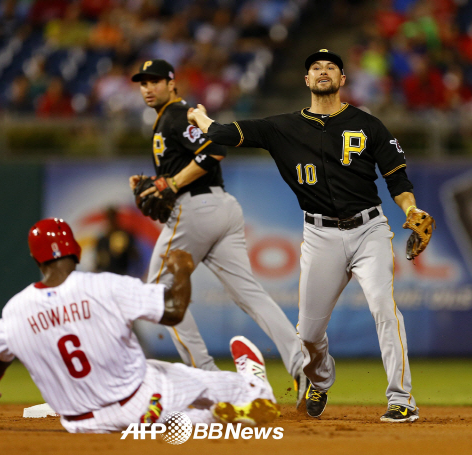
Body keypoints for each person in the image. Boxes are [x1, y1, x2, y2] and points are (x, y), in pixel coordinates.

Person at [188, 49, 430, 423]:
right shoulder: (281, 127)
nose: (323, 70)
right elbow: (222, 133)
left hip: (369, 230)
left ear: (342, 79)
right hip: (319, 236)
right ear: (307, 80)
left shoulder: (368, 124)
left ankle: (402, 399)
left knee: (384, 308)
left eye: (331, 67)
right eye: (316, 67)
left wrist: (411, 210)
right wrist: (200, 117)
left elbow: (397, 177)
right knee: (309, 335)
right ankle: (320, 380)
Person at [0, 217, 279, 432]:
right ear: (76, 251)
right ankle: (254, 389)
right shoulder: (104, 286)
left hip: (82, 424)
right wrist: (181, 268)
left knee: (171, 403)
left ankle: (206, 417)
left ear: (35, 260)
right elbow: (174, 311)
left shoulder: (15, 310)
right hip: (140, 400)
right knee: (196, 380)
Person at [129, 59, 307, 404]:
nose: (148, 88)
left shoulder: (177, 115)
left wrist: (172, 183)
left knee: (159, 293)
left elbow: (215, 149)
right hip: (222, 208)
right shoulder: (169, 118)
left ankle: (208, 379)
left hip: (197, 209)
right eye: (143, 82)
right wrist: (156, 181)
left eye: (155, 81)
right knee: (250, 294)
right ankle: (303, 364)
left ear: (172, 83)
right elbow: (181, 168)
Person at [95, 206, 140, 276]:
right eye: (109, 218)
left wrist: (126, 247)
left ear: (116, 218)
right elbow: (99, 262)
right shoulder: (102, 240)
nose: (111, 220)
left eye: (112, 217)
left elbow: (136, 256)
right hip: (107, 276)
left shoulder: (125, 235)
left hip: (123, 275)